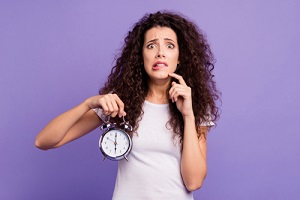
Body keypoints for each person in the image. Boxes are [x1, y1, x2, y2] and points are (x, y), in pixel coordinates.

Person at [35, 10, 220, 200]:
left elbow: (194, 182)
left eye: (170, 46)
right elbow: (43, 141)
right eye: (151, 46)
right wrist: (87, 104)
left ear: (180, 57)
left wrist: (188, 115)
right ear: (140, 56)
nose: (160, 53)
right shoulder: (120, 102)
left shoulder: (194, 106)